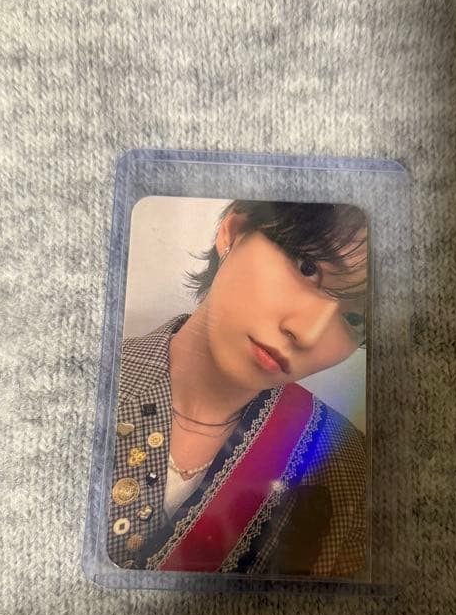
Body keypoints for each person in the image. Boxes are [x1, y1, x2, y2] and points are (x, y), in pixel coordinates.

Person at [106, 199, 368, 578]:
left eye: (355, 318)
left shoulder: (347, 470)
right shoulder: (83, 384)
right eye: (307, 267)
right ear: (233, 232)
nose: (308, 333)